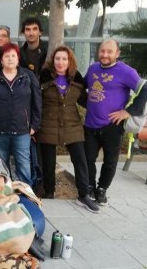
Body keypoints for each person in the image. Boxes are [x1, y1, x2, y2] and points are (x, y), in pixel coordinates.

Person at [84, 39, 147, 206]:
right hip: (90, 124)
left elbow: (146, 90)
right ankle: (90, 187)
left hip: (112, 126)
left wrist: (127, 112)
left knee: (110, 161)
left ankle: (102, 189)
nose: (105, 55)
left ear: (117, 53)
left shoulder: (126, 71)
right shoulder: (93, 68)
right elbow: (82, 86)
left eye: (109, 51)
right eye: (102, 51)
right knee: (87, 159)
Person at [37, 46, 99, 213]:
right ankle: (49, 192)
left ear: (69, 61)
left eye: (64, 59)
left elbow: (86, 101)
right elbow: (36, 102)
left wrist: (106, 105)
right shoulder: (43, 76)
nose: (60, 62)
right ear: (53, 60)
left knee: (80, 160)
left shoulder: (77, 77)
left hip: (72, 125)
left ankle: (84, 195)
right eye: (58, 59)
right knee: (48, 163)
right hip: (48, 125)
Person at [0, 42, 41, 186]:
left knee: (24, 165)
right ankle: (4, 196)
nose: (10, 59)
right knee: (0, 165)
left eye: (13, 56)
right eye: (7, 56)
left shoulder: (28, 76)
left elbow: (37, 102)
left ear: (18, 59)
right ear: (1, 59)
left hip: (22, 130)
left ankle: (26, 197)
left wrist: (35, 125)